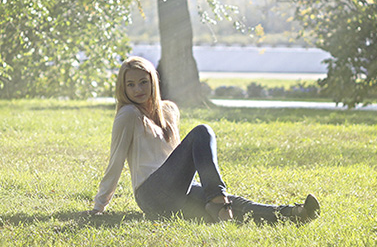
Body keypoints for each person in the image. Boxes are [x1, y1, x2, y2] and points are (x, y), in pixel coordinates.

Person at [91, 56, 320, 224]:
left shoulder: (168, 111)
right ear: (123, 88)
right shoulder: (129, 115)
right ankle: (217, 199)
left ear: (153, 82)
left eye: (143, 82)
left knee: (236, 204)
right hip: (151, 194)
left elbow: (179, 157)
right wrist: (99, 206)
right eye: (130, 84)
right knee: (202, 132)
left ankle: (294, 214)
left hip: (178, 190)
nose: (138, 89)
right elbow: (116, 161)